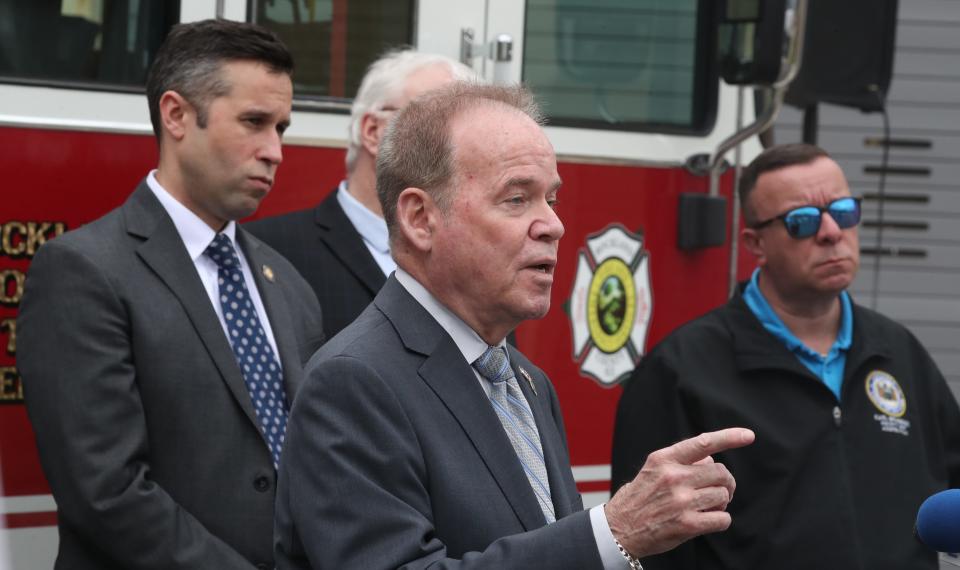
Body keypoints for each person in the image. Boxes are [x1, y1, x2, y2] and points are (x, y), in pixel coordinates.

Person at [275, 82, 755, 569]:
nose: (552, 225)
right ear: (420, 218)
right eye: (516, 199)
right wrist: (615, 532)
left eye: (552, 199)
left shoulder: (525, 381)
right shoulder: (353, 381)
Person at [17, 19, 325, 569]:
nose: (275, 150)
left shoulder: (289, 285)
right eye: (254, 122)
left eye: (281, 126)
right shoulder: (83, 272)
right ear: (177, 115)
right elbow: (106, 492)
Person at [611, 143, 960, 569]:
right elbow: (645, 545)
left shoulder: (898, 351)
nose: (831, 232)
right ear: (755, 242)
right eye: (803, 221)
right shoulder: (682, 370)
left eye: (844, 211)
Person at [246, 49, 475, 340]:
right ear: (373, 131)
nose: (459, 146)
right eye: (437, 123)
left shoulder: (476, 257)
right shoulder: (266, 249)